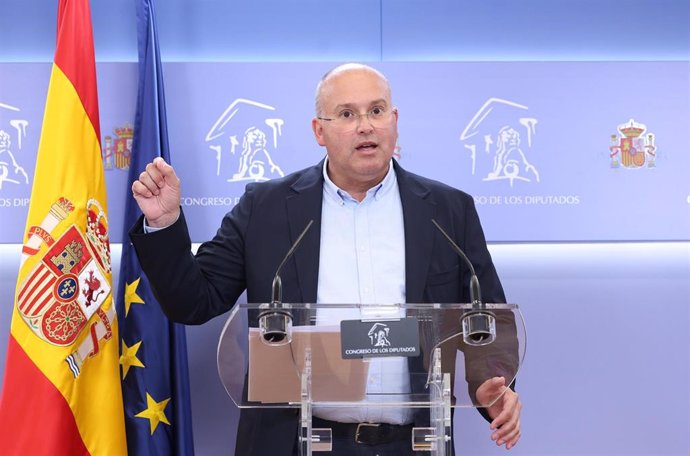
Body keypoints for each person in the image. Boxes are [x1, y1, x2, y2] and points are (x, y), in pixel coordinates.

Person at [130, 63, 522, 455]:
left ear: (395, 120)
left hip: (414, 444)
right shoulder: (266, 208)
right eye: (348, 114)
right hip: (294, 442)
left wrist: (494, 387)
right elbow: (194, 301)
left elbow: (485, 316)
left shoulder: (447, 210)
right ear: (319, 130)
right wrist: (163, 225)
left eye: (377, 110)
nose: (365, 125)